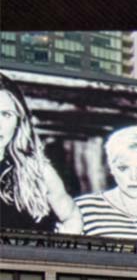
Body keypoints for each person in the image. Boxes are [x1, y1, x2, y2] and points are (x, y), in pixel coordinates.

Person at [0, 79, 82, 233]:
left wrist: (61, 252)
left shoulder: (38, 171)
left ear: (19, 120)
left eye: (6, 114)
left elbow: (71, 217)